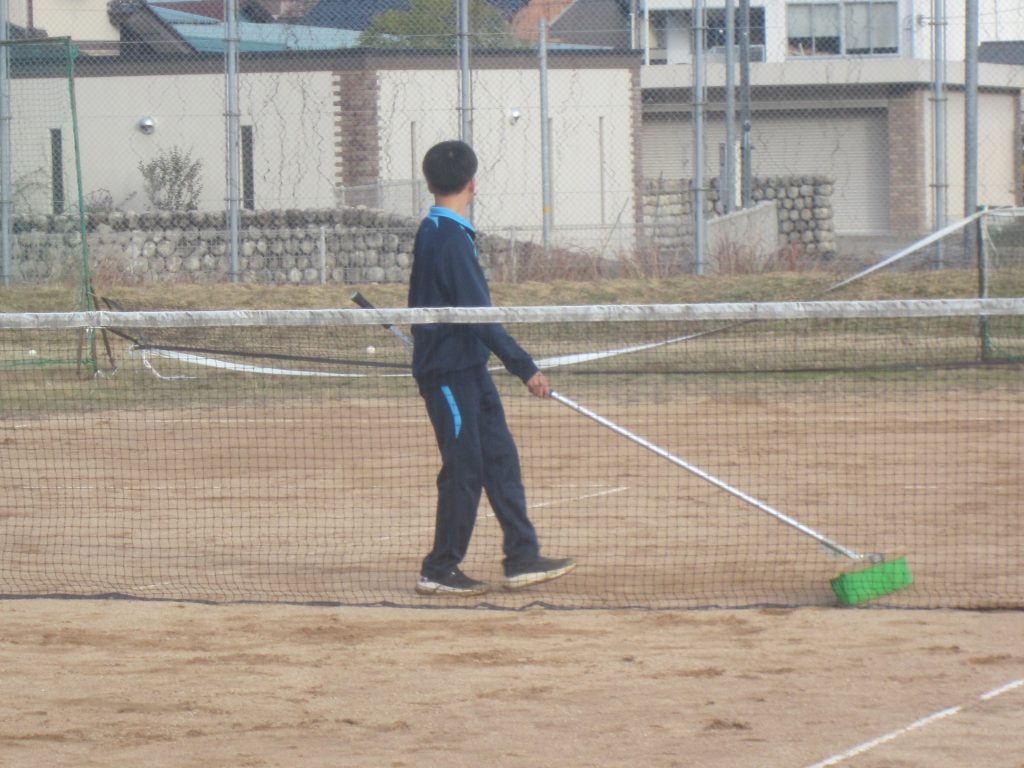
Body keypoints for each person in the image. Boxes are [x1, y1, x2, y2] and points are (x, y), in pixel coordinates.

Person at [409, 140, 575, 596]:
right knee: (464, 468)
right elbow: (479, 316)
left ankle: (522, 556)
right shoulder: (444, 237)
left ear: (430, 183)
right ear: (472, 183)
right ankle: (439, 569)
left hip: (470, 370)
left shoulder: (448, 233)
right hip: (447, 375)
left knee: (500, 459)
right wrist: (525, 368)